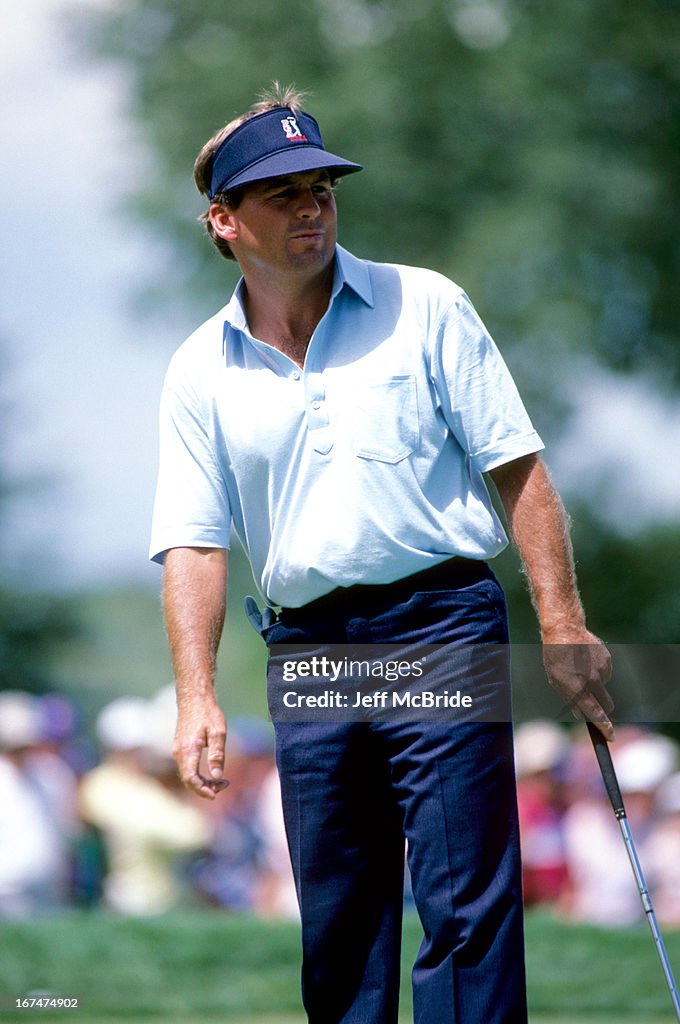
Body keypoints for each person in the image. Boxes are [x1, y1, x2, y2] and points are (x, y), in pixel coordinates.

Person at [149, 83, 614, 1024]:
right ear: (223, 221)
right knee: (341, 913)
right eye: (282, 194)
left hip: (439, 621)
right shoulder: (199, 366)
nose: (311, 204)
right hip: (308, 648)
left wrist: (564, 626)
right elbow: (194, 540)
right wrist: (196, 692)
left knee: (462, 903)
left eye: (321, 185)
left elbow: (519, 471)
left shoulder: (426, 304)